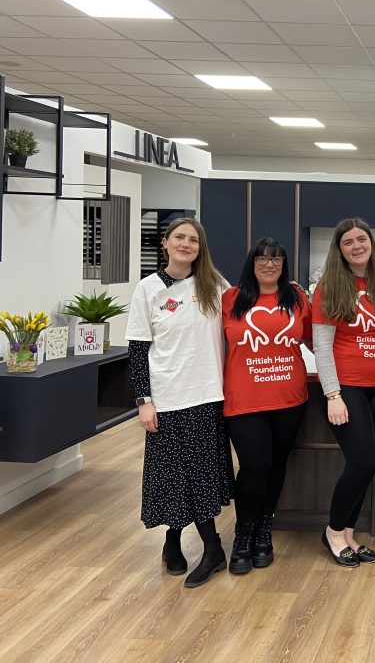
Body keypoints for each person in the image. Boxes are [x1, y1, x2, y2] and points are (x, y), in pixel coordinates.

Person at [126, 217, 233, 589]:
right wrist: (144, 401)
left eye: (194, 239)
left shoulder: (216, 286)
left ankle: (210, 548)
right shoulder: (148, 289)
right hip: (167, 399)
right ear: (165, 243)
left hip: (207, 396)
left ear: (201, 248)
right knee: (172, 476)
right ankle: (176, 541)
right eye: (180, 238)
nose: (186, 244)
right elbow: (138, 351)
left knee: (198, 476)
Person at [312, 218, 375, 568]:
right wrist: (332, 394)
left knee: (367, 463)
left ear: (371, 242)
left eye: (361, 239)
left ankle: (349, 532)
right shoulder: (329, 287)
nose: (356, 246)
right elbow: (322, 346)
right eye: (348, 241)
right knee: (364, 460)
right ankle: (333, 531)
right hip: (347, 386)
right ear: (339, 249)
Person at [221, 238, 312, 574]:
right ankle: (243, 533)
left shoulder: (297, 297)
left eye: (277, 259)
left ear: (284, 264)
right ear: (252, 262)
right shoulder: (231, 298)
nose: (270, 264)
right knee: (255, 466)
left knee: (276, 465)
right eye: (263, 258)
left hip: (289, 399)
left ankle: (263, 529)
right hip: (244, 400)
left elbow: (319, 341)